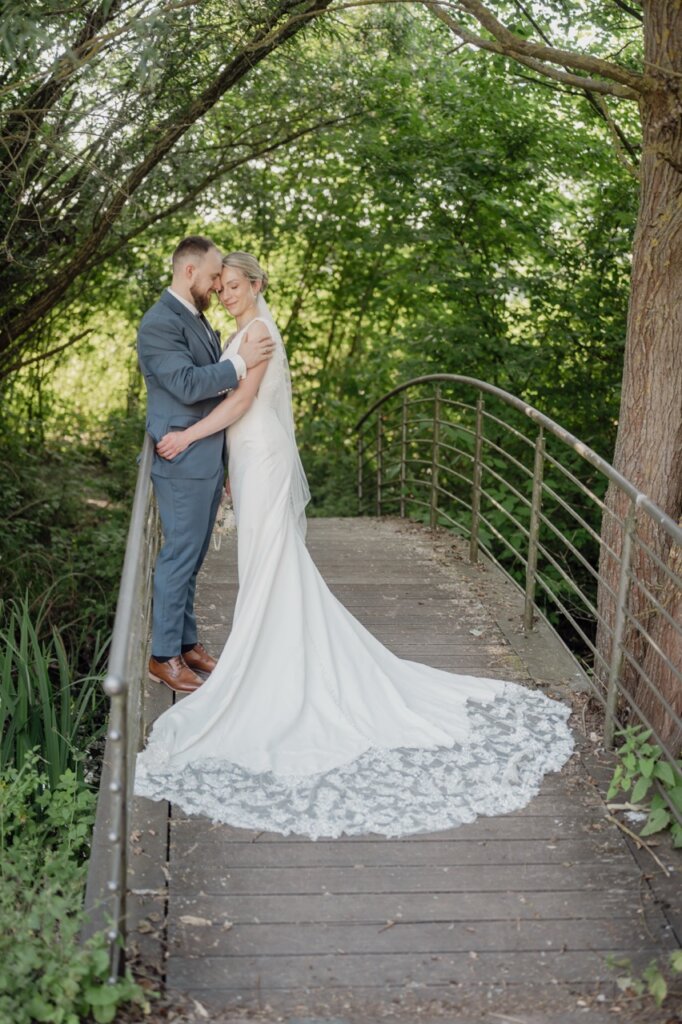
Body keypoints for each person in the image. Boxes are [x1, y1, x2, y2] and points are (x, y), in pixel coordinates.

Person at [134, 252, 573, 839]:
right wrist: (221, 453)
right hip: (242, 455)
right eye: (222, 282)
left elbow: (238, 402)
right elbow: (216, 392)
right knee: (264, 562)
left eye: (235, 283)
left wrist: (190, 434)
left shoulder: (257, 330)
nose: (227, 290)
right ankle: (235, 649)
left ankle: (258, 661)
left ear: (257, 285)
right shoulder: (232, 329)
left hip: (258, 452)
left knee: (268, 561)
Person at [137, 236, 274, 694]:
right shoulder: (159, 322)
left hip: (206, 456)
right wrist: (238, 364)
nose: (218, 286)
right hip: (182, 457)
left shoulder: (193, 317)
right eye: (215, 276)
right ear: (190, 272)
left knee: (192, 556)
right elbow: (185, 382)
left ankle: (187, 641)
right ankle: (164, 656)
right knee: (179, 555)